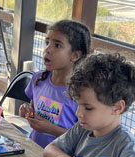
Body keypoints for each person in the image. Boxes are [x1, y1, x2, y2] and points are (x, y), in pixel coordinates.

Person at [19, 19, 91, 148]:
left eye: (57, 45)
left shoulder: (82, 92)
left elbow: (84, 139)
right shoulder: (38, 79)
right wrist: (27, 111)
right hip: (34, 151)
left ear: (75, 55)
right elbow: (33, 110)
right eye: (47, 42)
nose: (47, 49)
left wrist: (51, 129)